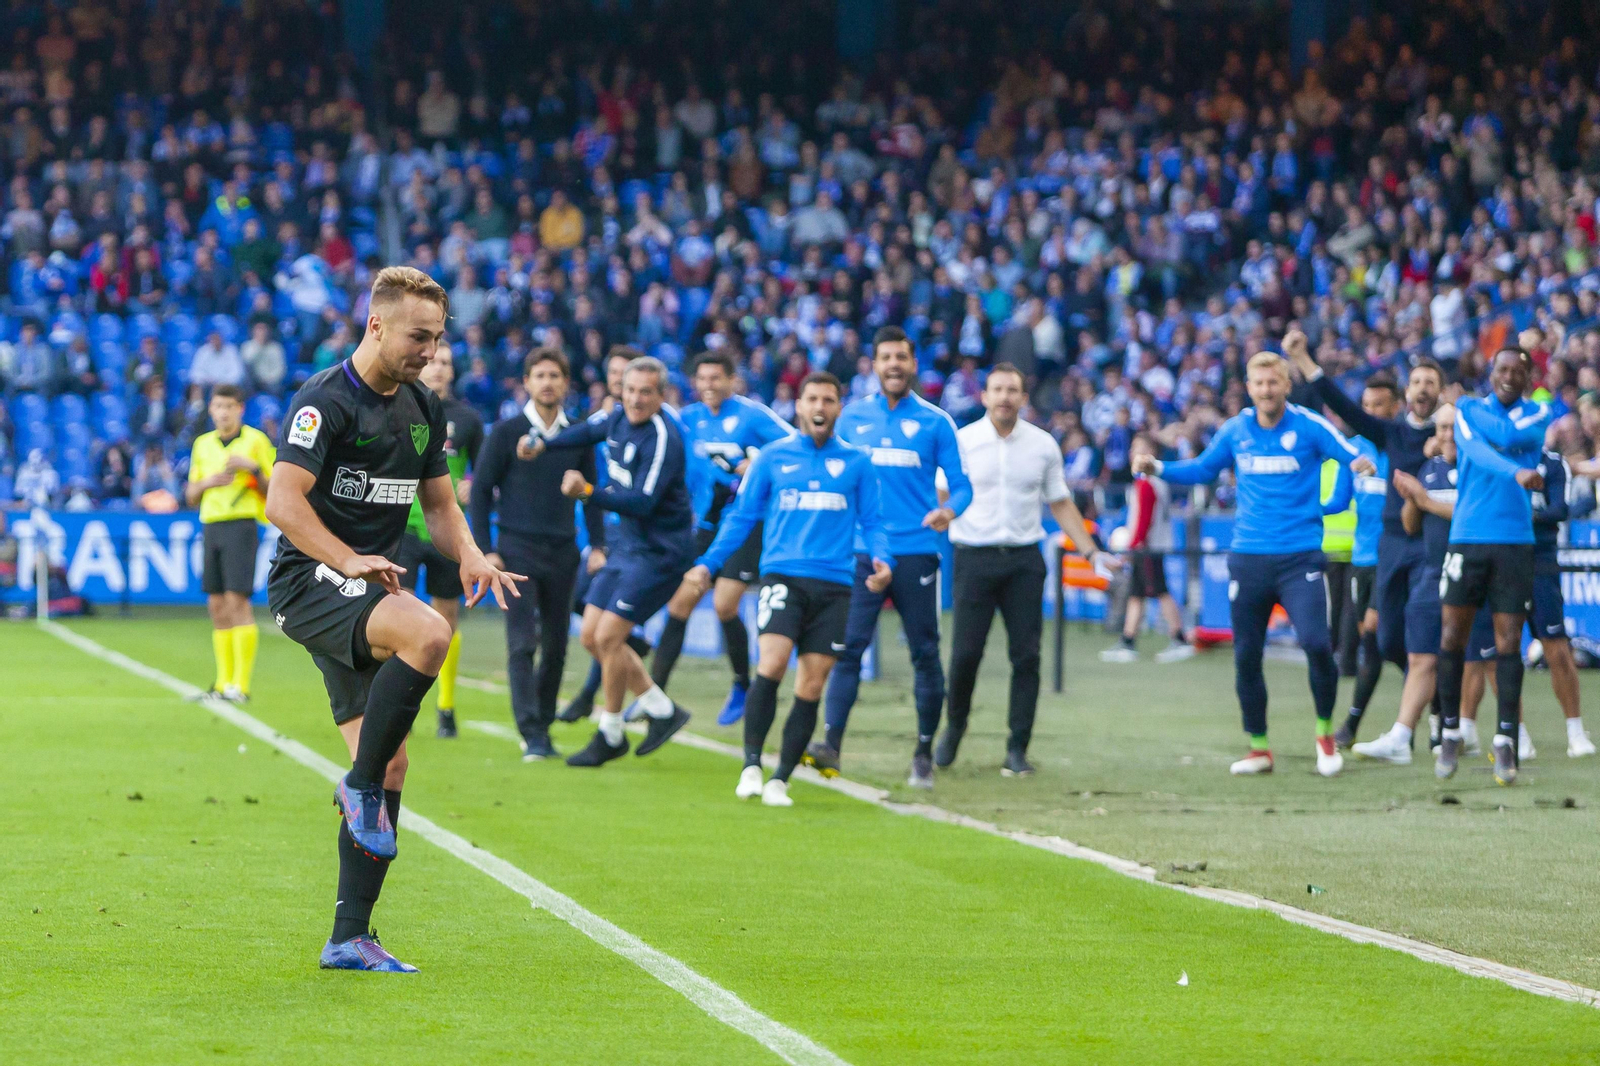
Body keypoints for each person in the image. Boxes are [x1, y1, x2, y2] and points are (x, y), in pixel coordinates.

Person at [264, 266, 523, 972]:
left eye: (437, 339)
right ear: (375, 325)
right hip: (310, 579)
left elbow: (439, 506)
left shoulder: (422, 408)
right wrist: (348, 558)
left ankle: (349, 935)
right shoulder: (323, 400)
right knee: (428, 630)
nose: (430, 352)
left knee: (393, 762)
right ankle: (358, 788)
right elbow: (283, 504)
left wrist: (470, 554)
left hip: (360, 584)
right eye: (418, 337)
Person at [1133, 348, 1364, 777]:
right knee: (1246, 656)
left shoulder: (1310, 426)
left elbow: (1351, 455)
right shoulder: (1236, 429)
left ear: (1286, 385)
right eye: (1258, 383)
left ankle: (1325, 736)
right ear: (1249, 387)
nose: (1266, 390)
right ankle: (1259, 748)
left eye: (1273, 382)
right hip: (1249, 559)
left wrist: (1343, 491)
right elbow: (1203, 469)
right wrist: (1158, 468)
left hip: (1300, 559)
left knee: (1317, 644)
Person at [678, 371, 892, 806]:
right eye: (812, 398)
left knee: (811, 685)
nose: (820, 407)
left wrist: (882, 557)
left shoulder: (857, 462)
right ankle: (752, 766)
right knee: (772, 665)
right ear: (799, 405)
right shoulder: (773, 458)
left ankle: (781, 779)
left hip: (834, 585)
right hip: (782, 577)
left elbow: (873, 521)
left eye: (829, 400)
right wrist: (708, 564)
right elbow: (740, 517)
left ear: (838, 408)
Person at [811, 326, 973, 789]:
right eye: (886, 357)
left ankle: (923, 754)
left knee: (925, 655)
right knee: (846, 653)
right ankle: (831, 747)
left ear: (913, 363)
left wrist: (949, 510)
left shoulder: (936, 422)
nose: (894, 365)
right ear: (875, 364)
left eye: (901, 356)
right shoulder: (851, 417)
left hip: (916, 553)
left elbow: (962, 484)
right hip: (860, 555)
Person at [522, 355, 696, 767]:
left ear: (661, 395)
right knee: (590, 636)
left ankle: (611, 730)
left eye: (645, 393)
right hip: (628, 548)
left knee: (608, 638)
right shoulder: (616, 418)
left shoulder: (663, 437)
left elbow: (645, 502)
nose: (635, 399)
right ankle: (661, 709)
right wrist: (542, 442)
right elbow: (583, 432)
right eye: (630, 390)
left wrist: (587, 492)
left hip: (661, 554)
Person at [941, 364, 1111, 776]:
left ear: (1023, 397)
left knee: (1027, 657)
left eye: (1012, 390)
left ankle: (1017, 748)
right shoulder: (961, 442)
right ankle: (954, 728)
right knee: (965, 655)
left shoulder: (1043, 445)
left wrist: (1091, 553)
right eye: (997, 389)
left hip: (1022, 561)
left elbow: (1061, 503)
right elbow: (939, 494)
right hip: (973, 557)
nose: (1004, 397)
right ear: (984, 396)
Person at [1284, 337, 1442, 750]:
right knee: (1387, 641)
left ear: (1439, 393)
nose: (1423, 389)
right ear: (1409, 394)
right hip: (1385, 549)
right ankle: (1437, 704)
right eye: (1418, 381)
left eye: (1431, 382)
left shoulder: (1452, 437)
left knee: (1417, 637)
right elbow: (1345, 407)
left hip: (1428, 545)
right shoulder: (1389, 436)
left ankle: (1432, 725)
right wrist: (1303, 359)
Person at [470, 348, 605, 759]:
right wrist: (487, 551)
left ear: (566, 384)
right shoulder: (507, 431)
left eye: (555, 375)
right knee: (522, 643)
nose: (547, 382)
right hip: (515, 551)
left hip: (563, 550)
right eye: (540, 375)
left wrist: (597, 545)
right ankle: (531, 732)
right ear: (526, 382)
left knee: (559, 647)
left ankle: (542, 726)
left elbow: (592, 493)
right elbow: (479, 492)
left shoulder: (579, 434)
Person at [651, 350, 795, 725]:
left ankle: (742, 685)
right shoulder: (690, 419)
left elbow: (796, 446)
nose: (709, 385)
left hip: (747, 524)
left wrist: (759, 463)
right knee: (680, 604)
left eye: (716, 378)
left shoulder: (752, 416)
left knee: (724, 605)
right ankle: (654, 695)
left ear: (733, 380)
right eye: (702, 379)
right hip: (708, 524)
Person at [1433, 348, 1552, 785]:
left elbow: (1500, 432)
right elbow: (1477, 451)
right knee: (1451, 635)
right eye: (1503, 370)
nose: (1509, 377)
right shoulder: (1467, 414)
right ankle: (1449, 731)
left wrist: (1463, 406)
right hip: (1467, 535)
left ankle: (1506, 741)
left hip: (1514, 540)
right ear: (1491, 372)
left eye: (1518, 372)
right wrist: (1514, 470)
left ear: (1526, 377)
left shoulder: (1536, 412)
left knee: (1507, 644)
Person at [1457, 446, 1594, 759]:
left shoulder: (1552, 462)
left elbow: (1560, 509)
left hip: (1540, 562)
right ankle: (1515, 733)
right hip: (1502, 562)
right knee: (1499, 650)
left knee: (1556, 646)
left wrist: (1520, 518)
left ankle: (1575, 731)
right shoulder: (1495, 460)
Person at [554, 347, 653, 724]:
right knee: (586, 608)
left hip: (634, 534)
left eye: (625, 372)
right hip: (604, 528)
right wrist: (596, 542)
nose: (617, 378)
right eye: (613, 372)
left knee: (604, 626)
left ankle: (592, 699)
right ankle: (635, 657)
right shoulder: (600, 420)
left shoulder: (648, 425)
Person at [1355, 404, 1455, 764]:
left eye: (1451, 428)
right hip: (1433, 567)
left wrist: (1425, 499)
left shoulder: (1479, 469)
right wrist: (1413, 496)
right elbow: (1411, 524)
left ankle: (1500, 733)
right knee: (1418, 653)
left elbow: (1473, 512)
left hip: (1474, 568)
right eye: (1440, 428)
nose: (1445, 435)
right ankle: (1402, 735)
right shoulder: (1430, 468)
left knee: (1487, 658)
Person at [395, 343, 483, 738]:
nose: (439, 368)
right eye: (434, 361)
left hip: (445, 532)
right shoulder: (398, 406)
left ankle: (445, 705)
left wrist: (473, 485)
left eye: (446, 362)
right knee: (402, 617)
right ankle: (402, 704)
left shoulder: (467, 419)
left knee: (446, 619)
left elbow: (483, 472)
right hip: (406, 528)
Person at [184, 384, 274, 702]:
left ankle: (242, 685)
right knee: (216, 604)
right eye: (218, 406)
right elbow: (190, 495)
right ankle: (222, 684)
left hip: (242, 524)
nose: (223, 412)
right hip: (211, 525)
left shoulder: (255, 441)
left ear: (240, 409)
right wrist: (207, 483)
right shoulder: (202, 445)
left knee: (238, 601)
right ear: (211, 410)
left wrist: (253, 469)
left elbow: (273, 488)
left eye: (229, 406)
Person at [1100, 434, 1191, 664]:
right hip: (1149, 546)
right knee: (1136, 594)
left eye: (1139, 448)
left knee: (1160, 591)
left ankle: (1180, 638)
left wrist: (1133, 546)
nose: (1133, 452)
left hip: (1147, 548)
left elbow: (1144, 520)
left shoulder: (1147, 482)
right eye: (1133, 447)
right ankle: (1128, 641)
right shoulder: (1149, 482)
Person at [1330, 426, 1389, 749]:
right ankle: (1435, 713)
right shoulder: (1352, 450)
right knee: (1378, 642)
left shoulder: (1398, 445)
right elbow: (1339, 500)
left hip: (1391, 557)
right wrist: (1306, 506)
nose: (1373, 412)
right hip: (1360, 559)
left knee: (1372, 634)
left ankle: (1351, 724)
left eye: (1379, 404)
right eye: (1368, 404)